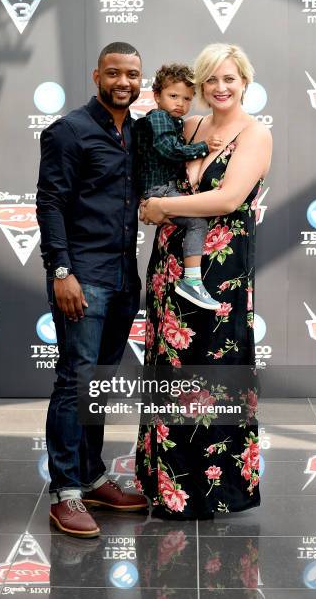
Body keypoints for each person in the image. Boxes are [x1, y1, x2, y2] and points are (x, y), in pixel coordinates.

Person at [135, 43, 272, 519]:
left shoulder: (255, 135)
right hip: (169, 266)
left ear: (245, 82)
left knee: (212, 372)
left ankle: (213, 489)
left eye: (229, 78)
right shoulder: (187, 126)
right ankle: (165, 483)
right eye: (211, 79)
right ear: (198, 84)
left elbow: (228, 199)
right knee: (169, 370)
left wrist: (162, 208)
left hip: (221, 275)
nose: (220, 87)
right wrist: (154, 204)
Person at [36, 42, 148, 539]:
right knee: (73, 382)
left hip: (125, 278)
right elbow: (50, 204)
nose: (124, 82)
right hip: (82, 277)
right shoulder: (69, 132)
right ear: (96, 74)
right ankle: (65, 493)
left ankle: (93, 475)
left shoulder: (139, 135)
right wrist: (62, 272)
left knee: (97, 383)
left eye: (133, 74)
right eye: (114, 73)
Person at [134, 63, 223, 310]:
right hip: (160, 189)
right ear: (156, 96)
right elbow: (169, 149)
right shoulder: (159, 118)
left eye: (186, 98)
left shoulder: (175, 121)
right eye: (173, 96)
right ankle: (192, 280)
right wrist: (204, 147)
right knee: (197, 222)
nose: (180, 104)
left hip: (162, 189)